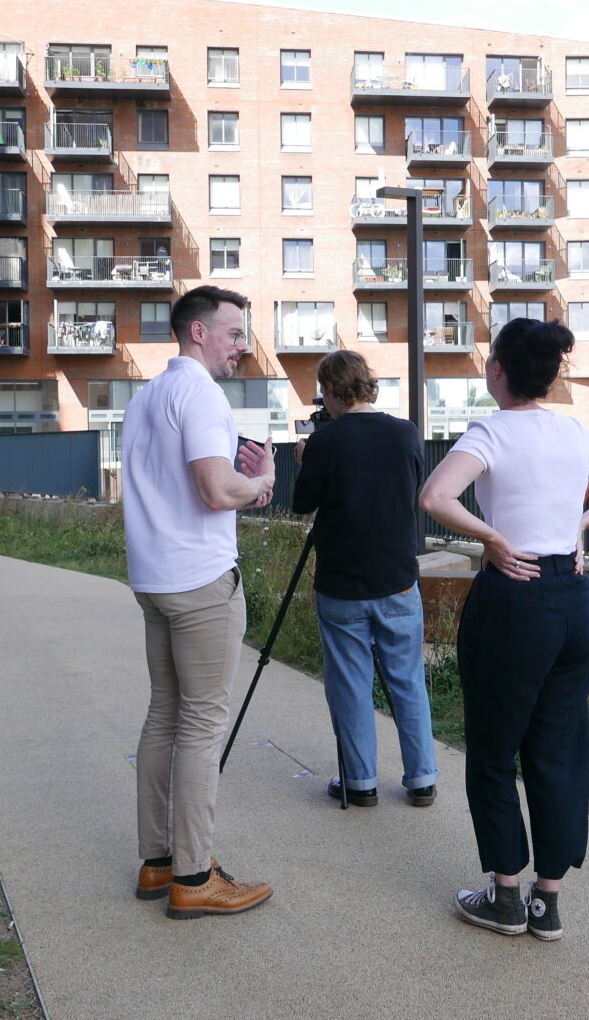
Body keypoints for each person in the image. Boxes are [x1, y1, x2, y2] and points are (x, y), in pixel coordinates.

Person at [418, 318, 589, 942]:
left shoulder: (491, 431)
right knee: (559, 749)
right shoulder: (573, 433)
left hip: (514, 598)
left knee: (494, 751)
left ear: (498, 370)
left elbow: (437, 496)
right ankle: (547, 904)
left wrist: (492, 538)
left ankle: (505, 897)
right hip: (573, 600)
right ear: (547, 374)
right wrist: (579, 527)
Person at [122, 285, 277, 920]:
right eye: (234, 333)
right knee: (201, 726)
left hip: (154, 579)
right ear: (197, 333)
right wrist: (261, 481)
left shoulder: (146, 397)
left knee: (164, 715)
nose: (242, 346)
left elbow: (194, 483)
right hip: (201, 582)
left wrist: (241, 483)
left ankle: (158, 862)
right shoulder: (203, 395)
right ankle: (194, 874)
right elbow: (216, 491)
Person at [290, 351, 437, 809]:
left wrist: (305, 458)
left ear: (333, 390)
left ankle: (360, 783)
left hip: (341, 585)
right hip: (396, 577)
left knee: (350, 683)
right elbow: (411, 488)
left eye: (323, 394)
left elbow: (302, 504)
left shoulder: (325, 442)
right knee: (408, 679)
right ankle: (423, 779)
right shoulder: (405, 432)